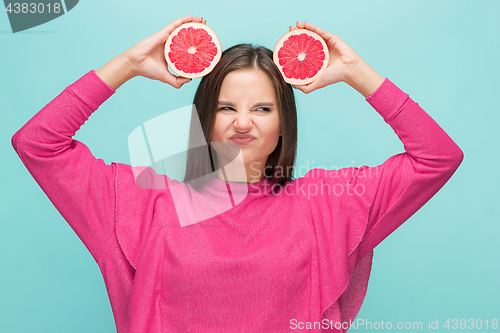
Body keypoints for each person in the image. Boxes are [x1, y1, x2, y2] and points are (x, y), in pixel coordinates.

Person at [11, 15, 463, 333]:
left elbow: (438, 158)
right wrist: (127, 65)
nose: (242, 123)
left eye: (262, 109)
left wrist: (355, 72)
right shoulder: (142, 199)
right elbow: (37, 144)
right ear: (204, 119)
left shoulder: (329, 202)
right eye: (227, 107)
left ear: (284, 121)